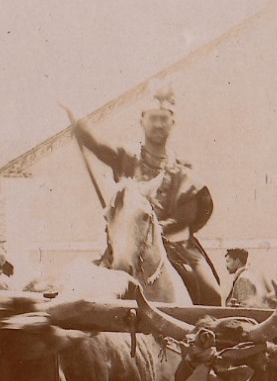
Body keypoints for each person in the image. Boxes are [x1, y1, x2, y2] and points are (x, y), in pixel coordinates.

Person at [68, 83, 220, 305]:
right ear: (142, 121)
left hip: (177, 248)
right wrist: (74, 115)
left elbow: (187, 216)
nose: (158, 124)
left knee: (212, 294)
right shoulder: (127, 158)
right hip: (128, 245)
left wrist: (152, 230)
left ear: (172, 122)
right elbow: (96, 144)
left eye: (163, 118)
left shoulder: (183, 169)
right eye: (153, 118)